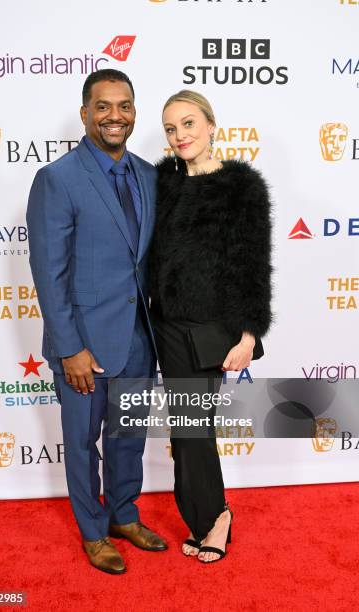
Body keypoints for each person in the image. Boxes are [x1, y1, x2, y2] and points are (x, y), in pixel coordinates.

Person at [26, 69, 167, 575]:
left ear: (134, 111)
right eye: (103, 106)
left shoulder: (150, 175)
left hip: (137, 338)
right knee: (83, 443)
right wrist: (69, 347)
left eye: (124, 105)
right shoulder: (58, 178)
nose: (114, 116)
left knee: (128, 436)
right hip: (83, 343)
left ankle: (124, 515)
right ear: (85, 112)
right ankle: (92, 530)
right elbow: (49, 271)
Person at [149, 90, 272, 563]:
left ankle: (216, 517)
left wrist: (248, 335)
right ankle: (206, 516)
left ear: (211, 125)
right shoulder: (163, 183)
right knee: (186, 428)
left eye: (188, 124)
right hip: (167, 326)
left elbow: (252, 264)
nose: (180, 135)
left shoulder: (242, 188)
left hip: (213, 328)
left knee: (194, 427)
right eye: (171, 128)